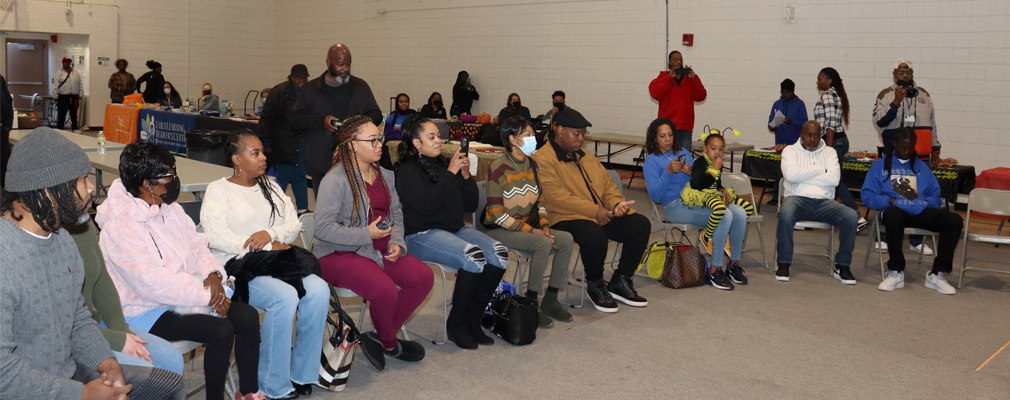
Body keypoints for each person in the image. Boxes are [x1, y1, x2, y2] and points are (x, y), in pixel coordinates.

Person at [1, 127, 185, 400]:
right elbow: (4, 373)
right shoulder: (6, 259)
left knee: (169, 387)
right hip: (26, 388)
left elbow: (76, 318)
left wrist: (107, 363)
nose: (91, 188)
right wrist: (81, 394)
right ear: (48, 191)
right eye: (82, 180)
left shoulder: (62, 240)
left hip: (67, 373)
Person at [95, 142, 264, 400]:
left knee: (248, 316)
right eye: (168, 176)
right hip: (144, 309)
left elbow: (197, 244)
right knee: (221, 330)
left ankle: (248, 392)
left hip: (186, 294)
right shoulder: (119, 228)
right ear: (145, 184)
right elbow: (152, 284)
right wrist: (208, 295)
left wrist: (212, 275)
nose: (175, 180)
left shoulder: (168, 208)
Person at [200, 131, 328, 399]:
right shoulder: (219, 190)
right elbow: (215, 236)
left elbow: (294, 223)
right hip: (238, 266)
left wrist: (269, 234)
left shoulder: (271, 185)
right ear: (237, 158)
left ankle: (303, 374)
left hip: (277, 261)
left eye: (263, 152)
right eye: (255, 153)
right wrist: (266, 245)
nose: (263, 157)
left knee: (318, 289)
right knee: (284, 296)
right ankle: (272, 383)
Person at [315, 115, 433, 367]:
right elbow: (323, 229)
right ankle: (390, 343)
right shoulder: (335, 180)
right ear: (351, 145)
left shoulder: (385, 175)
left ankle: (379, 335)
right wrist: (366, 234)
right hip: (337, 252)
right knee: (385, 290)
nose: (380, 143)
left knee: (423, 277)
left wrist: (398, 242)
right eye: (372, 140)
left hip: (376, 246)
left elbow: (396, 214)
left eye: (380, 137)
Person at [396, 114, 507, 349]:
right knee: (474, 256)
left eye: (439, 136)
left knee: (499, 253)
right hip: (421, 234)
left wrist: (465, 175)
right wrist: (451, 172)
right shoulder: (407, 171)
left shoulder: (444, 165)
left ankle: (473, 319)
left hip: (453, 229)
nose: (439, 140)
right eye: (432, 136)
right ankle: (456, 324)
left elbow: (469, 205)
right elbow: (427, 206)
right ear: (416, 143)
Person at [532, 108, 650, 312]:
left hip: (597, 213)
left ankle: (620, 280)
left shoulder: (586, 156)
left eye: (583, 134)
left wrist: (615, 205)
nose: (580, 139)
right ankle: (595, 283)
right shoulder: (542, 158)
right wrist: (595, 212)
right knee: (593, 234)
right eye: (576, 133)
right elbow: (555, 198)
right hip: (562, 216)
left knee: (640, 224)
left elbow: (606, 186)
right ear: (559, 130)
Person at [483, 116, 575, 327]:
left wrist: (544, 226)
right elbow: (497, 214)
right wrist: (534, 232)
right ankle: (532, 302)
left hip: (528, 227)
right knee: (542, 243)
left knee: (566, 239)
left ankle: (551, 299)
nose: (534, 139)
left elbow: (540, 203)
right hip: (499, 228)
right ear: (512, 139)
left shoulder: (532, 164)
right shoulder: (498, 167)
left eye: (534, 135)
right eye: (528, 135)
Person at [68, 219, 186, 375]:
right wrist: (118, 341)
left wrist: (120, 328)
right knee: (145, 372)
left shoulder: (81, 219)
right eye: (87, 191)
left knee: (171, 359)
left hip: (92, 323)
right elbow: (63, 329)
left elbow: (101, 280)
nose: (92, 193)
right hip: (69, 339)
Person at [644, 117, 747, 289]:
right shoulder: (651, 161)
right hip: (674, 206)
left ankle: (733, 264)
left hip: (698, 199)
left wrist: (692, 172)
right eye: (662, 136)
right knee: (724, 214)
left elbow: (699, 181)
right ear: (655, 138)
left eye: (670, 135)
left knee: (739, 212)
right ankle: (715, 269)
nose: (668, 139)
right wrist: (668, 172)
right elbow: (655, 196)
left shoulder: (683, 151)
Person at [861, 128, 963, 295]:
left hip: (919, 210)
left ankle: (937, 274)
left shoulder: (922, 167)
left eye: (910, 147)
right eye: (902, 147)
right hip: (894, 211)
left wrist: (922, 203)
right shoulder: (880, 166)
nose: (906, 151)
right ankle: (896, 271)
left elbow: (935, 195)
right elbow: (867, 196)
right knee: (892, 214)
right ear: (894, 145)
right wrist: (889, 200)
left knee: (954, 220)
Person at [292, 43, 382, 195]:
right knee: (326, 211)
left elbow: (376, 114)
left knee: (354, 210)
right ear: (328, 63)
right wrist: (321, 121)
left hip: (355, 161)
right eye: (340, 64)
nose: (345, 69)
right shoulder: (311, 89)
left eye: (348, 64)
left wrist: (357, 124)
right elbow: (295, 121)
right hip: (322, 162)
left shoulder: (360, 86)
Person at [775, 121, 858, 284]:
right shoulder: (790, 151)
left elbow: (834, 179)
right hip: (797, 199)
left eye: (816, 135)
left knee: (851, 215)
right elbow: (790, 176)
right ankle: (784, 262)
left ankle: (842, 265)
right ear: (801, 134)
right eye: (808, 135)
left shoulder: (830, 152)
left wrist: (803, 174)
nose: (812, 139)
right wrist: (821, 170)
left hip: (825, 203)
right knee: (785, 212)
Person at [872, 58, 939, 255]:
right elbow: (880, 121)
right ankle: (884, 236)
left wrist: (936, 149)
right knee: (894, 194)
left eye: (908, 72)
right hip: (897, 153)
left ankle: (916, 240)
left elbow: (933, 123)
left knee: (919, 195)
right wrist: (896, 102)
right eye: (901, 73)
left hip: (921, 155)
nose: (905, 76)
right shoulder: (886, 95)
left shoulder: (924, 95)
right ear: (894, 74)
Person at [680, 133, 754, 289]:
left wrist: (722, 189)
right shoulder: (700, 163)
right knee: (724, 213)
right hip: (701, 197)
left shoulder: (716, 164)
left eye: (721, 149)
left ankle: (733, 263)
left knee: (742, 211)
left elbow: (716, 183)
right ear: (705, 149)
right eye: (713, 149)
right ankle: (714, 264)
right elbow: (698, 183)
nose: (717, 153)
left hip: (715, 196)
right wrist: (714, 169)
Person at [814, 67, 868, 232]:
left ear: (829, 80)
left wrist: (828, 150)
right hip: (836, 141)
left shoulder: (829, 95)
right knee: (832, 180)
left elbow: (830, 124)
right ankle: (835, 215)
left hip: (834, 142)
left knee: (834, 181)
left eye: (820, 78)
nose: (817, 82)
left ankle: (857, 217)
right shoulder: (832, 94)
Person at [262, 64, 312, 214]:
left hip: (301, 142)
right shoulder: (278, 92)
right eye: (299, 77)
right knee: (282, 177)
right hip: (282, 143)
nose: (302, 80)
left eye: (305, 77)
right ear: (291, 77)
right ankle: (276, 209)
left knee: (299, 176)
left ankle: (303, 210)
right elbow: (266, 119)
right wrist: (266, 142)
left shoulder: (310, 93)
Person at [649, 51, 707, 147]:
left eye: (680, 59)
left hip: (685, 128)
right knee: (666, 159)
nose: (678, 62)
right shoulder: (662, 78)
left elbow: (701, 96)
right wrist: (669, 78)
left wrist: (694, 78)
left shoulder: (690, 80)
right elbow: (655, 93)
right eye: (675, 59)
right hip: (666, 128)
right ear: (669, 63)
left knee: (683, 158)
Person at [768, 79, 808, 146]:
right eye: (783, 92)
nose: (785, 95)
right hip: (779, 143)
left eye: (787, 93)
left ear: (792, 92)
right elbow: (770, 122)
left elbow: (804, 123)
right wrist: (772, 128)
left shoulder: (800, 104)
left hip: (795, 144)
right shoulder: (777, 104)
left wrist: (792, 122)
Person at [52, 57, 84, 132]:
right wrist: (55, 95)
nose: (67, 63)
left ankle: (75, 128)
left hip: (74, 96)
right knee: (61, 113)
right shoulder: (59, 72)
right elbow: (56, 85)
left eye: (69, 62)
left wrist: (81, 93)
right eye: (66, 62)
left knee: (74, 113)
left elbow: (80, 84)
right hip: (63, 96)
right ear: (63, 63)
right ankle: (60, 128)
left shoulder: (75, 72)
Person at [1, 73, 11, 188]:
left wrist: (7, 125)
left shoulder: (0, 79)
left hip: (1, 131)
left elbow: (8, 102)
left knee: (5, 164)